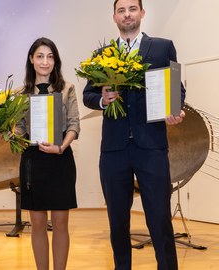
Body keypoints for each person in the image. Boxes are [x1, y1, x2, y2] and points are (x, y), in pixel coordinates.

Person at [82, 0, 186, 269]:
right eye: (121, 10)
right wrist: (102, 100)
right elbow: (88, 95)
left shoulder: (162, 47)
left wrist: (175, 108)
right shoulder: (102, 53)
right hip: (114, 150)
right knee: (117, 221)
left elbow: (177, 88)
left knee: (160, 218)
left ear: (142, 12)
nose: (127, 14)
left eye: (132, 9)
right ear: (114, 16)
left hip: (151, 147)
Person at [16, 37, 80, 270]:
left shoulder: (67, 89)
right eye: (40, 56)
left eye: (50, 56)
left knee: (61, 223)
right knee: (37, 223)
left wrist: (61, 147)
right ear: (31, 60)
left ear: (56, 60)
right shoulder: (20, 94)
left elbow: (74, 124)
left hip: (61, 159)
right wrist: (7, 129)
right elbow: (19, 130)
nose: (45, 61)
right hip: (33, 161)